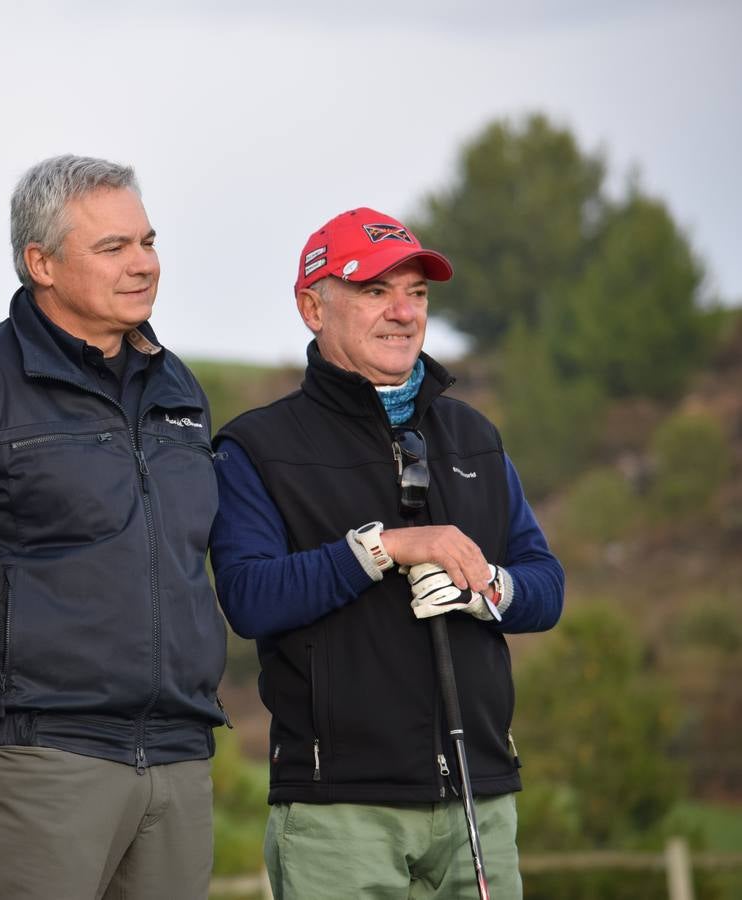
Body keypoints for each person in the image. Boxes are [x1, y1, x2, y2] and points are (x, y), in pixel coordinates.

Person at [210, 207, 565, 899]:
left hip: (479, 799)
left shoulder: (474, 437)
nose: (403, 312)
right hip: (340, 809)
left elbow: (546, 586)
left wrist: (490, 589)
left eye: (418, 292)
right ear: (313, 306)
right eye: (375, 291)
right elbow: (249, 598)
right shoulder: (255, 447)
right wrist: (384, 549)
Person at [0, 154, 229, 900]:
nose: (143, 265)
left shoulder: (180, 388)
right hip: (37, 757)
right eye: (113, 248)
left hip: (178, 756)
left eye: (147, 242)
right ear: (40, 262)